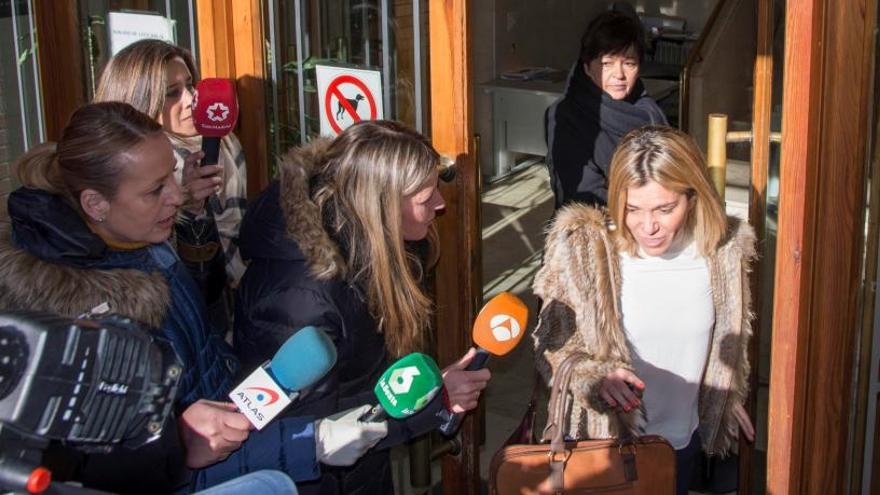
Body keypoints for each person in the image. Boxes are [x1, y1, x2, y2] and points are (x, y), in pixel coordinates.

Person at [0, 102, 388, 494]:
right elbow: (137, 471)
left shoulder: (140, 235)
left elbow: (204, 327)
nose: (176, 194)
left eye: (171, 174)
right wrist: (183, 439)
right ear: (95, 204)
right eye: (155, 190)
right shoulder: (72, 325)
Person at [235, 120, 492, 495]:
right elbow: (309, 432)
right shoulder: (299, 299)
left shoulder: (369, 247)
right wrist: (429, 401)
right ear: (380, 206)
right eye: (425, 197)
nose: (440, 203)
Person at [531, 126, 756, 495]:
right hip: (602, 449)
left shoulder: (722, 253)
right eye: (632, 209)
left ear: (693, 197)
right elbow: (550, 347)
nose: (648, 226)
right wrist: (596, 377)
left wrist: (725, 396)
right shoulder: (584, 248)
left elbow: (724, 342)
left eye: (665, 209)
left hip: (680, 444)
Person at [94, 39, 245, 333]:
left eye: (190, 85)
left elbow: (232, 229)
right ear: (137, 103)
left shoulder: (223, 143)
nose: (191, 99)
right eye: (172, 94)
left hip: (223, 304)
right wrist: (187, 211)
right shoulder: (113, 172)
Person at [545, 10, 667, 208]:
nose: (619, 74)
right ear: (587, 68)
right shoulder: (567, 114)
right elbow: (582, 194)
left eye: (629, 63)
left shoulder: (649, 111)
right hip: (599, 225)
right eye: (606, 64)